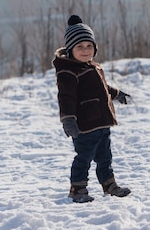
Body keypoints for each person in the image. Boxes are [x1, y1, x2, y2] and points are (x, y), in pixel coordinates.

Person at [53, 14, 131, 203]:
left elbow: (102, 89)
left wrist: (117, 93)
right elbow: (66, 98)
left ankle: (109, 185)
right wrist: (68, 119)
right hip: (84, 125)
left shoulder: (92, 67)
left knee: (105, 157)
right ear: (70, 50)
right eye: (80, 47)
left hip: (102, 122)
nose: (85, 50)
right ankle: (77, 189)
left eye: (89, 46)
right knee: (84, 158)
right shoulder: (68, 71)